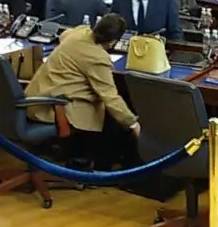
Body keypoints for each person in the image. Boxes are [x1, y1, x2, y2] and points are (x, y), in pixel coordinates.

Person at [25, 13, 140, 169]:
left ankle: (81, 156)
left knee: (104, 107)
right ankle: (101, 168)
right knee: (111, 117)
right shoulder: (97, 58)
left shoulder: (80, 32)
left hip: (36, 98)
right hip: (53, 108)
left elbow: (63, 35)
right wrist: (133, 123)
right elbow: (110, 97)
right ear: (113, 41)